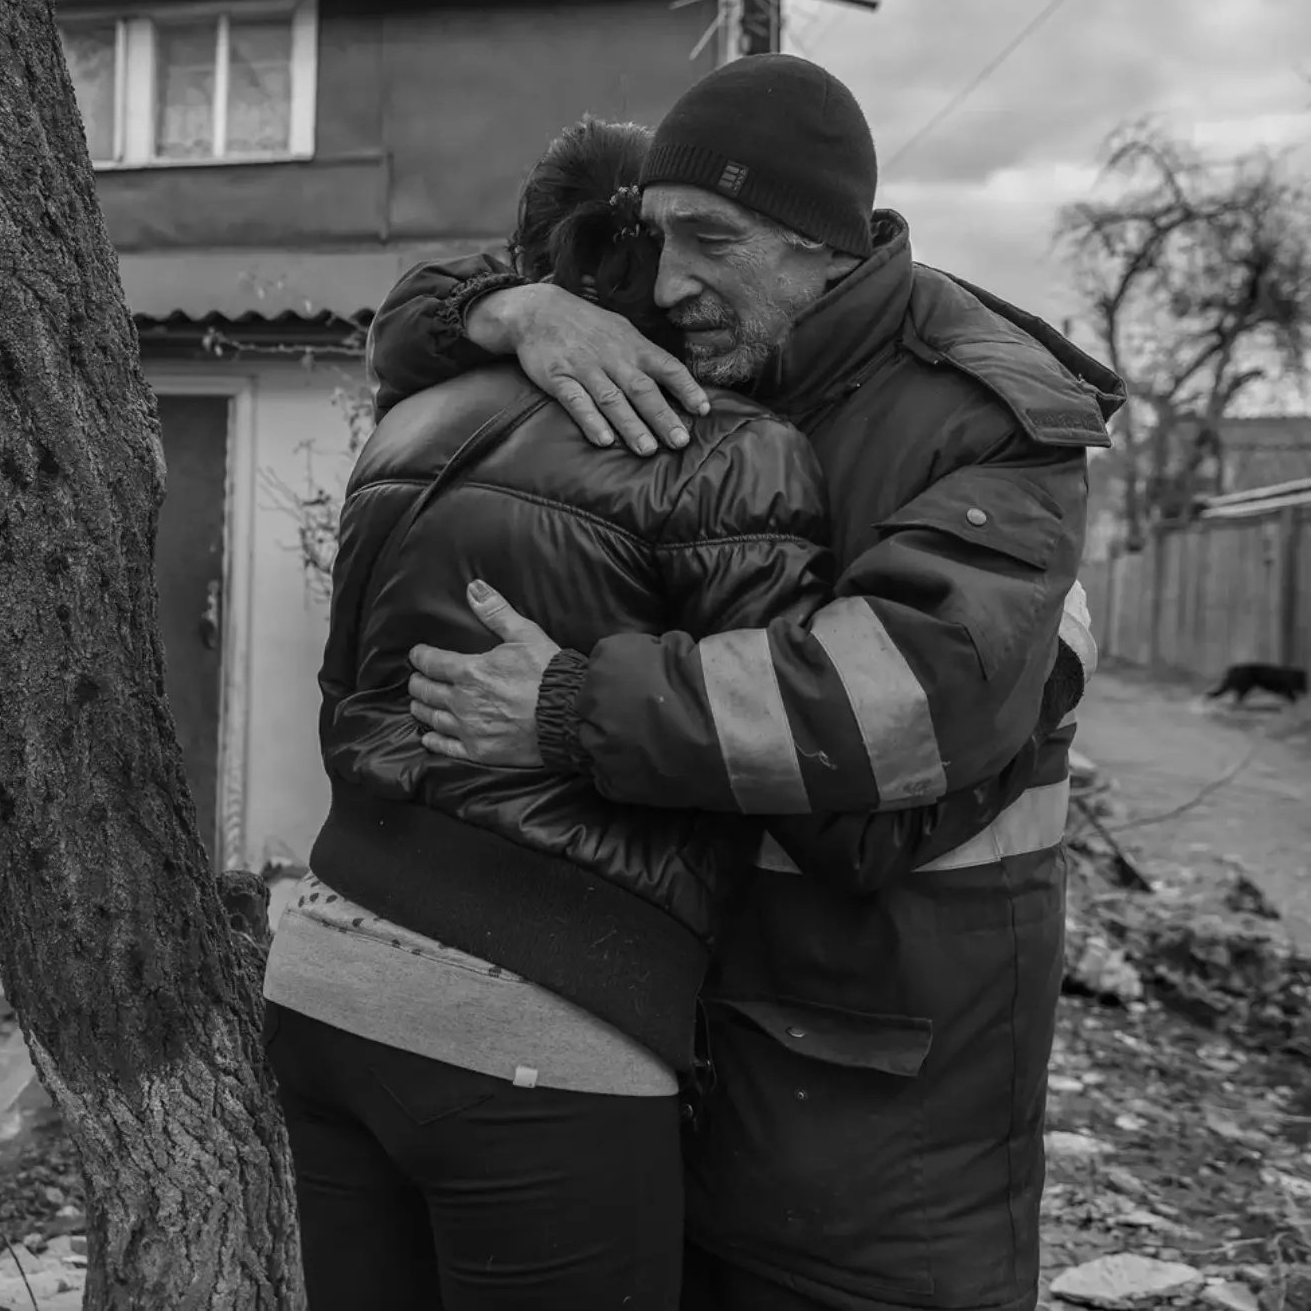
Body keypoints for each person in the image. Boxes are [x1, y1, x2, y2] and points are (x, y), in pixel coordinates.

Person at [261, 115, 1065, 1311]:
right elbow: (847, 803)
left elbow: (349, 688)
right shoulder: (728, 450)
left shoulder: (407, 419)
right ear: (635, 261)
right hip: (546, 1012)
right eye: (669, 239)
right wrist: (1047, 667)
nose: (685, 277)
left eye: (713, 237)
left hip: (324, 968)